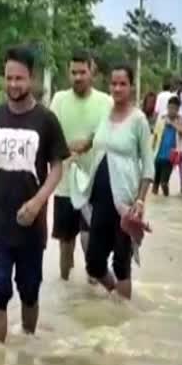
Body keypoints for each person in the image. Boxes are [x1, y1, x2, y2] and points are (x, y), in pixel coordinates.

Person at [0, 46, 69, 343]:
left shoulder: (46, 121)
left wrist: (38, 201)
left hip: (32, 228)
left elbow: (57, 167)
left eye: (19, 78)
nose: (13, 85)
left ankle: (28, 352)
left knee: (29, 291)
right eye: (8, 78)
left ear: (31, 78)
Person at [71, 64, 154, 300]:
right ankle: (116, 298)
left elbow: (148, 166)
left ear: (131, 87)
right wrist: (74, 149)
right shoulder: (105, 116)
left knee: (121, 264)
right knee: (94, 262)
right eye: (114, 84)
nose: (117, 89)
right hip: (100, 198)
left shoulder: (138, 120)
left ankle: (123, 317)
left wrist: (140, 200)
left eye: (122, 84)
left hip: (125, 202)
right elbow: (95, 142)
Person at [49, 50, 112, 282]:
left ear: (91, 71)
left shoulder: (106, 102)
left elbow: (114, 135)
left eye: (82, 72)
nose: (77, 77)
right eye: (73, 72)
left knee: (90, 243)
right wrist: (67, 148)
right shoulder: (58, 100)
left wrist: (90, 142)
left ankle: (92, 294)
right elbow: (49, 137)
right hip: (64, 185)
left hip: (94, 187)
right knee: (66, 245)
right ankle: (65, 293)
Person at [151, 96, 182, 197]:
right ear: (167, 107)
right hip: (158, 155)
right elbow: (155, 136)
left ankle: (166, 198)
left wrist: (172, 124)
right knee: (155, 182)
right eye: (170, 108)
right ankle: (157, 203)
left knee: (164, 183)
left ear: (178, 109)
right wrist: (151, 151)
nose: (172, 111)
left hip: (170, 157)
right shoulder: (162, 119)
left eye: (174, 109)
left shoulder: (179, 120)